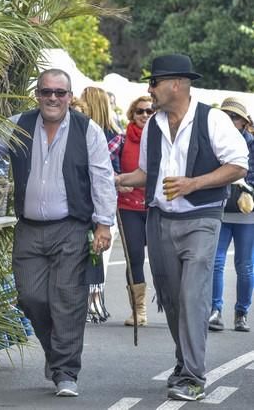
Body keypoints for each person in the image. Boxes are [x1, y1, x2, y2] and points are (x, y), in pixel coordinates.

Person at [0, 68, 116, 397]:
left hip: (71, 228)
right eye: (46, 92)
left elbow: (103, 178)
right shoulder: (19, 123)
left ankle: (66, 373)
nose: (53, 98)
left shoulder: (87, 131)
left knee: (68, 300)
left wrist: (104, 223)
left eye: (60, 93)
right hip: (29, 229)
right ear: (38, 95)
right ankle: (55, 355)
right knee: (31, 298)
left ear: (70, 97)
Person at [115, 54, 248, 401]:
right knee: (172, 300)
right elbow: (149, 174)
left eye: (154, 83)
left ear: (176, 84)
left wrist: (194, 183)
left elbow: (237, 166)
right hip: (160, 219)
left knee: (192, 296)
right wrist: (120, 179)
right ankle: (184, 360)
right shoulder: (153, 125)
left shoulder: (213, 119)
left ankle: (193, 375)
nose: (150, 89)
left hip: (201, 218)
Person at [208, 97, 254, 333]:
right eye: (224, 116)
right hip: (220, 209)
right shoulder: (213, 143)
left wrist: (245, 186)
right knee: (215, 262)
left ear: (244, 123)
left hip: (247, 214)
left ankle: (241, 312)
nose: (229, 120)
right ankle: (215, 310)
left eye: (234, 117)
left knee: (245, 266)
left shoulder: (252, 144)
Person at [79, 86, 123, 323]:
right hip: (106, 202)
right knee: (99, 255)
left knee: (83, 254)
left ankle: (86, 302)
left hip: (85, 200)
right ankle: (94, 301)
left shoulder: (83, 133)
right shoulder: (117, 136)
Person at [117, 96, 154, 326]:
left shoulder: (162, 139)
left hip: (157, 207)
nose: (145, 115)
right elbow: (105, 166)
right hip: (128, 207)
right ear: (133, 114)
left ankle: (174, 306)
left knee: (164, 261)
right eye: (140, 111)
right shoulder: (120, 140)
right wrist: (118, 181)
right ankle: (139, 311)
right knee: (134, 259)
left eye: (149, 111)